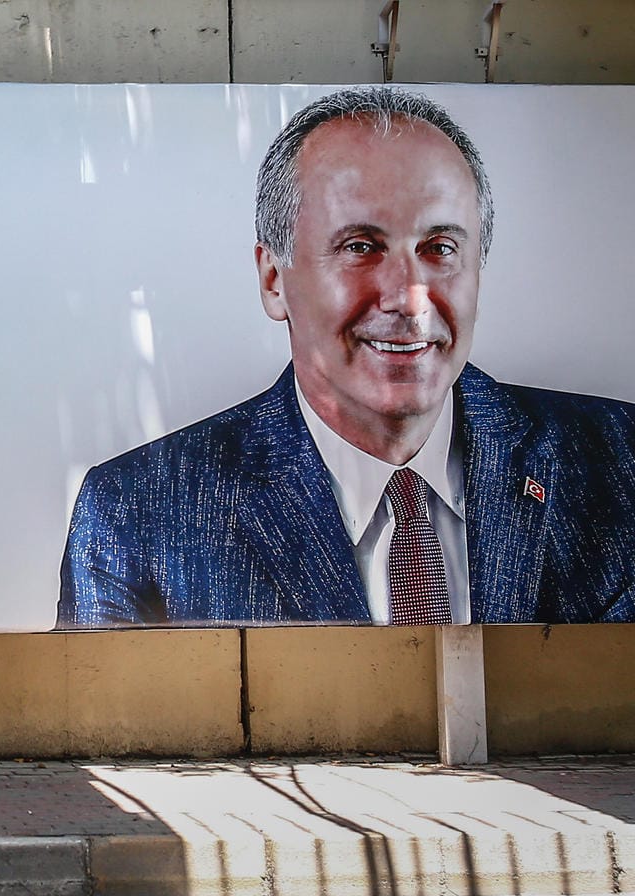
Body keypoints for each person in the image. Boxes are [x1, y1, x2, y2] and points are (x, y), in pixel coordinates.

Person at [57, 85, 635, 628]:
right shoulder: (136, 515)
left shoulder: (620, 463)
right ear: (273, 279)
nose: (409, 298)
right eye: (361, 247)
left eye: (440, 248)